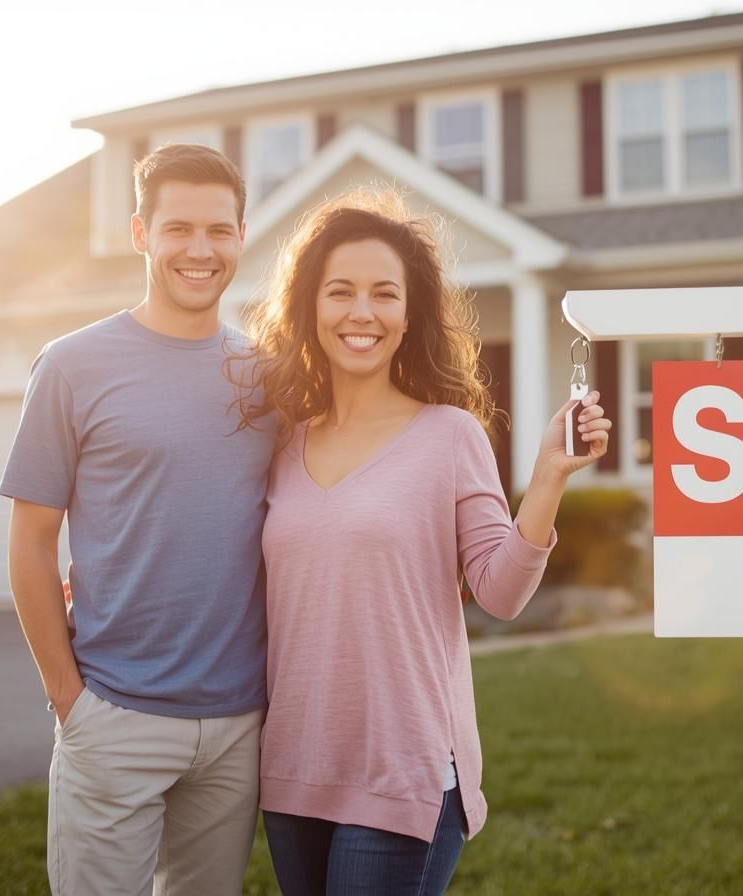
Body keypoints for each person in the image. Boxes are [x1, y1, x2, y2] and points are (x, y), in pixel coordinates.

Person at [236, 189, 611, 895]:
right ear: (310, 306)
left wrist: (548, 477)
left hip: (402, 771)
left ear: (409, 315)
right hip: (294, 769)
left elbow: (500, 592)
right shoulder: (282, 442)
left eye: (384, 294)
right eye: (340, 291)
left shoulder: (449, 436)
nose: (362, 313)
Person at [0, 143, 271, 895]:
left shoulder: (266, 374)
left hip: (238, 721)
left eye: (219, 231)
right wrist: (69, 699)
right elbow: (29, 541)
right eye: (179, 228)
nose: (200, 249)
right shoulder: (71, 366)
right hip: (113, 713)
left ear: (241, 238)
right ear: (140, 232)